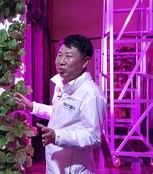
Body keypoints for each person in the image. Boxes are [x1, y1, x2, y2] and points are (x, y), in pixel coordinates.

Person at [14, 34, 107, 174]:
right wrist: (33, 106)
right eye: (59, 55)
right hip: (55, 166)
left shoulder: (91, 94)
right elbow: (61, 113)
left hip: (74, 169)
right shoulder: (62, 84)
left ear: (85, 61)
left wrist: (57, 136)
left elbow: (93, 137)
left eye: (68, 56)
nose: (61, 61)